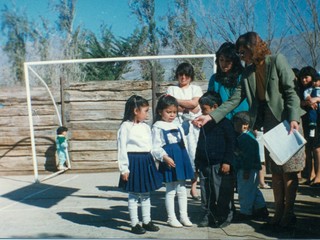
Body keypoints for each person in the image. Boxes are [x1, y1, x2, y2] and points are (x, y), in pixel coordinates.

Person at [193, 32, 305, 229]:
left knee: (290, 172)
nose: (240, 56)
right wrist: (210, 116)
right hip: (269, 124)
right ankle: (277, 214)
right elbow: (234, 100)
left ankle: (289, 213)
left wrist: (294, 118)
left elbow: (291, 91)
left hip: (288, 121)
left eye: (242, 52)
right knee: (277, 172)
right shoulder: (247, 73)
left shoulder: (277, 60)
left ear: (253, 48)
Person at [117, 95, 162, 235]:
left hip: (146, 161)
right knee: (134, 194)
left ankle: (147, 220)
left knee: (146, 193)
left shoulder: (146, 127)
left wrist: (158, 158)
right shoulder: (125, 127)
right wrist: (124, 168)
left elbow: (152, 145)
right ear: (136, 111)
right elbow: (122, 148)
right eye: (146, 110)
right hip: (133, 161)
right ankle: (135, 223)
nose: (147, 114)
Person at [152, 94, 194, 228]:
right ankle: (171, 217)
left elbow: (185, 135)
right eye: (168, 112)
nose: (172, 115)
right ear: (160, 111)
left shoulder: (177, 124)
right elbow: (155, 146)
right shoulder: (158, 126)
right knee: (170, 190)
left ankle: (184, 216)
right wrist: (164, 157)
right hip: (169, 158)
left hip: (180, 156)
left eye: (174, 112)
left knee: (182, 188)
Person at [194, 91, 235, 228]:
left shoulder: (226, 124)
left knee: (221, 192)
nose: (202, 113)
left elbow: (231, 144)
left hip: (219, 165)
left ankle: (224, 216)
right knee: (206, 192)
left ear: (215, 107)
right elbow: (200, 143)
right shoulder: (204, 124)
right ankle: (208, 215)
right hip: (205, 164)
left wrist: (227, 161)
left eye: (204, 110)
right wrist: (197, 162)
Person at [167, 62, 203, 200]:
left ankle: (193, 188)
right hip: (176, 125)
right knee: (178, 155)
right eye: (181, 74)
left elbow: (195, 106)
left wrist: (177, 102)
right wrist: (186, 105)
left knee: (193, 155)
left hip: (193, 127)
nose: (183, 77)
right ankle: (178, 186)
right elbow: (172, 108)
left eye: (186, 75)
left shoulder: (196, 88)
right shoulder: (171, 89)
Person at [232, 111, 269, 221]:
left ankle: (245, 212)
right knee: (253, 190)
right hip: (251, 169)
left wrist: (246, 170)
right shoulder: (249, 136)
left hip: (246, 169)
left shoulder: (245, 139)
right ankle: (261, 208)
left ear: (245, 125)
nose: (234, 126)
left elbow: (247, 156)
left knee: (244, 191)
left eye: (236, 123)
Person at [208, 41, 248, 120]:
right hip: (221, 120)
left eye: (228, 61)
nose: (223, 64)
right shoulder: (214, 79)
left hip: (242, 119)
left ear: (234, 62)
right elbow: (210, 101)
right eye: (221, 60)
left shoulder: (243, 76)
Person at [297, 66, 320, 186]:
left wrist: (316, 99)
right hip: (305, 120)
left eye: (306, 77)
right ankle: (309, 174)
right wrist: (308, 102)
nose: (304, 80)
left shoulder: (317, 87)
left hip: (317, 120)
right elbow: (299, 102)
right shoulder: (302, 90)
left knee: (317, 148)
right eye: (302, 78)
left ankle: (318, 175)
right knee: (308, 148)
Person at [303, 72, 320, 137]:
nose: (314, 83)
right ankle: (312, 128)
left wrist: (317, 99)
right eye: (313, 81)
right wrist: (309, 98)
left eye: (316, 81)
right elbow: (306, 93)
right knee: (312, 113)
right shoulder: (311, 89)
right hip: (313, 106)